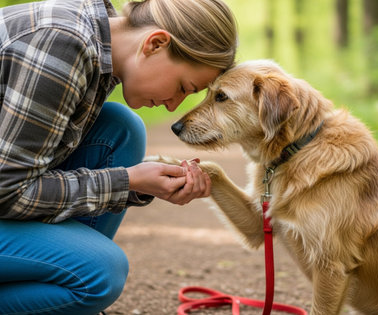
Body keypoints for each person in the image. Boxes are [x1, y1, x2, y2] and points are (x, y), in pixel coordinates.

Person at [0, 0, 238, 313]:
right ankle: (69, 289)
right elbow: (8, 191)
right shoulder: (61, 46)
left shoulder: (100, 42)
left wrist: (140, 182)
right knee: (99, 273)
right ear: (155, 43)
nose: (172, 106)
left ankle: (60, 296)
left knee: (120, 130)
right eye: (182, 87)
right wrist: (128, 182)